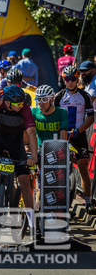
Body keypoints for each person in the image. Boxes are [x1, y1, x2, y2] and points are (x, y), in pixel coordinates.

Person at [0, 86, 38, 232]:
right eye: (16, 104)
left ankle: (31, 222)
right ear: (8, 102)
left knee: (24, 181)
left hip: (15, 142)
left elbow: (31, 133)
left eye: (21, 103)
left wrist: (34, 156)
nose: (20, 106)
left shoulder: (24, 108)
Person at [55, 66, 95, 214]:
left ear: (78, 80)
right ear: (64, 80)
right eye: (67, 79)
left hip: (80, 136)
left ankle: (88, 202)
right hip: (63, 136)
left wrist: (79, 130)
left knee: (84, 168)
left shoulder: (85, 96)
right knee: (61, 170)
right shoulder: (58, 97)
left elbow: (91, 118)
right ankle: (61, 203)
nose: (70, 82)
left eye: (73, 79)